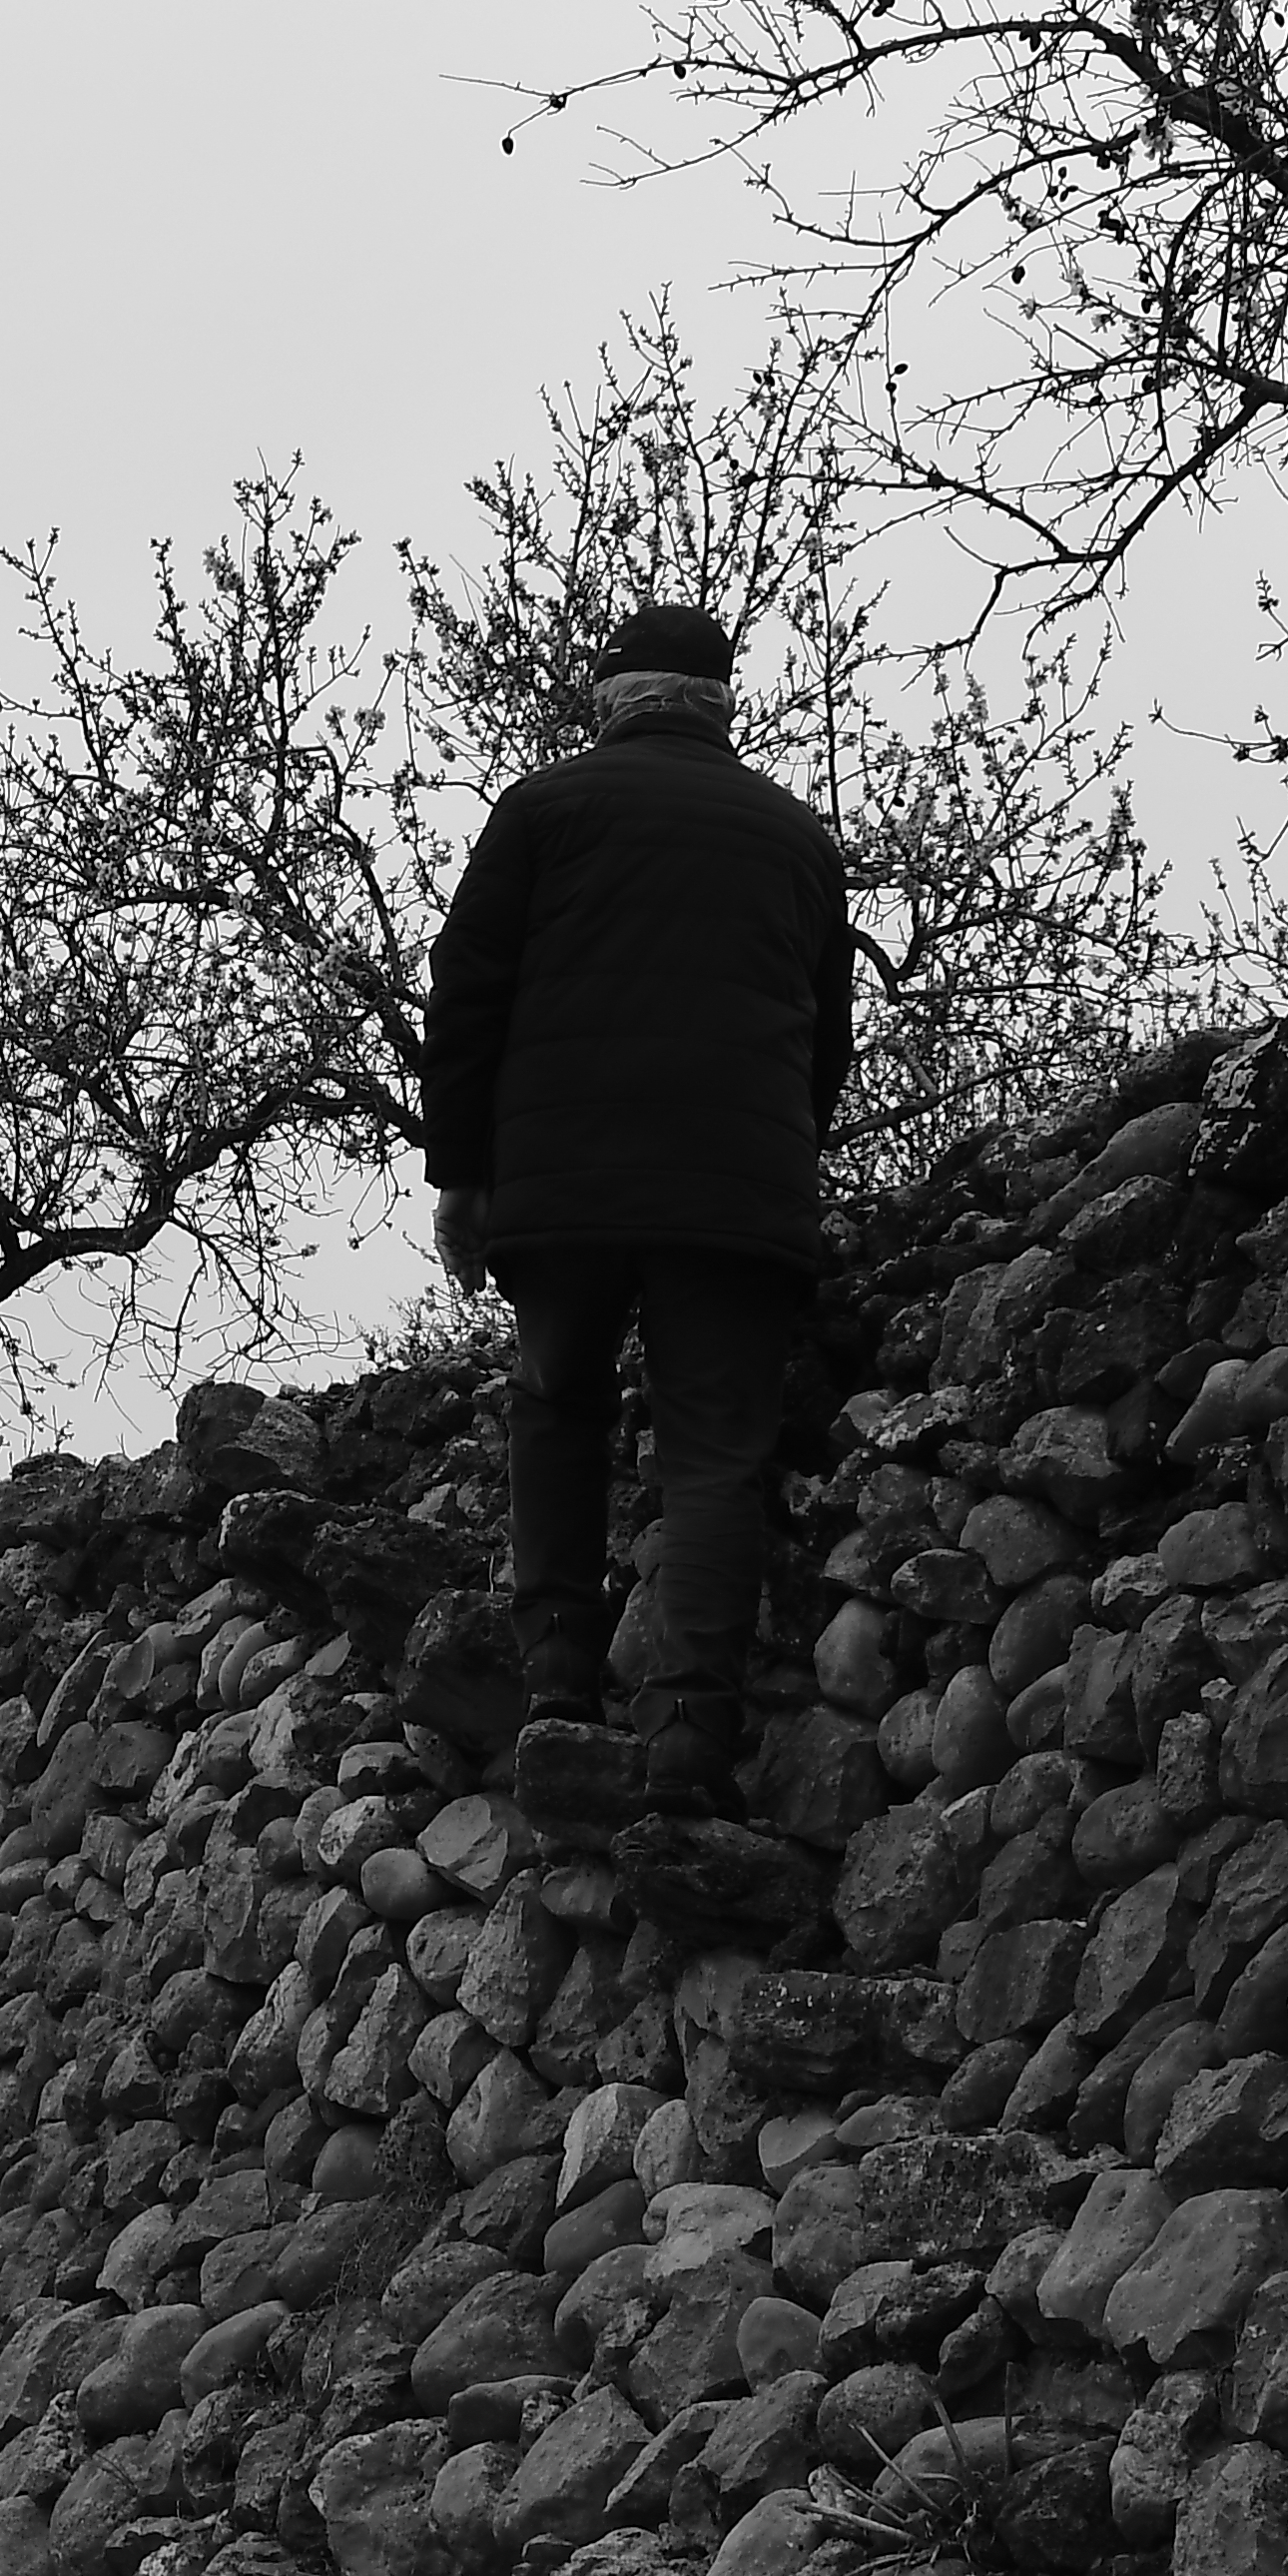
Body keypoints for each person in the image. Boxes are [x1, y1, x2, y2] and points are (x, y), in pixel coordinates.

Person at [415, 598, 855, 1807]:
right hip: (733, 1191)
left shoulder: (543, 811)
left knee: (556, 1407)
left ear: (609, 699)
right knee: (716, 1455)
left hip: (564, 1190)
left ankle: (558, 1686)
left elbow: (468, 1000)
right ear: (722, 705)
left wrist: (464, 1172)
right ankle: (688, 1747)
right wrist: (776, 1161)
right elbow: (828, 1039)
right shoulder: (796, 836)